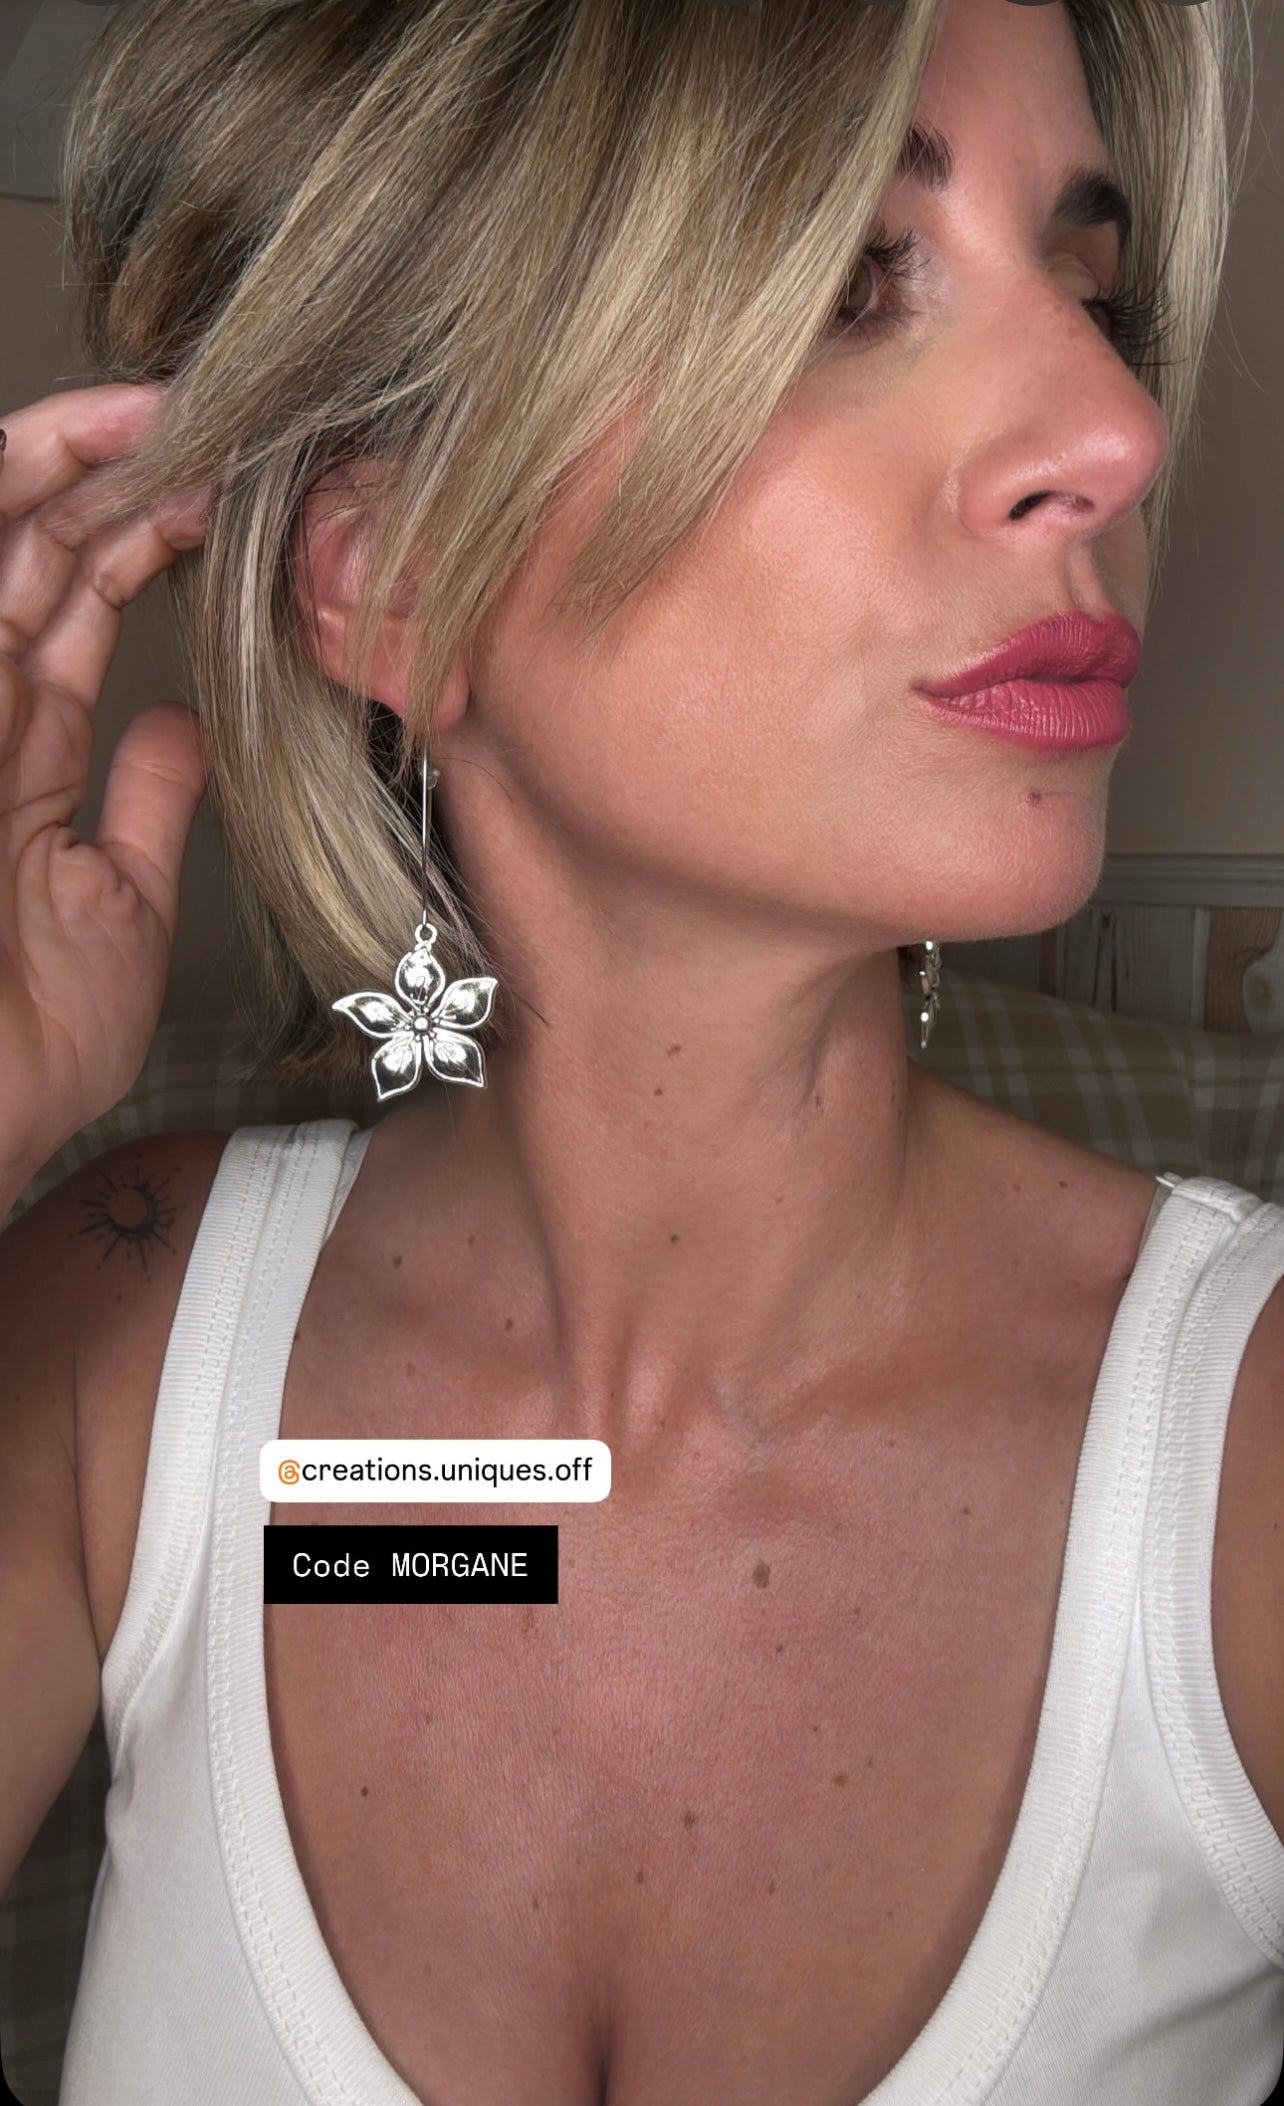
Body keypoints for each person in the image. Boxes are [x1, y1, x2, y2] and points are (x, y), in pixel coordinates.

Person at [1, 0, 1281, 2099]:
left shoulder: (1246, 1472)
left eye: (1093, 286)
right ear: (390, 575)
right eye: (845, 283)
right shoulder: (114, 1363)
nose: (1119, 428)